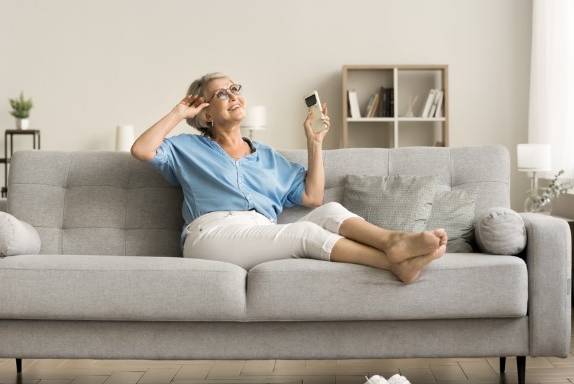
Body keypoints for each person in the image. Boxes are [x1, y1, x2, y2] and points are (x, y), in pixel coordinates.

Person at [131, 72, 447, 283]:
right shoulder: (186, 148)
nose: (234, 96)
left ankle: (392, 241)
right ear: (206, 113)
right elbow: (142, 150)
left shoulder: (268, 156)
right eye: (222, 94)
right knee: (304, 234)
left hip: (260, 232)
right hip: (211, 236)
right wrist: (178, 113)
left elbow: (312, 198)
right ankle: (393, 262)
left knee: (331, 212)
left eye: (235, 89)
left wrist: (315, 143)